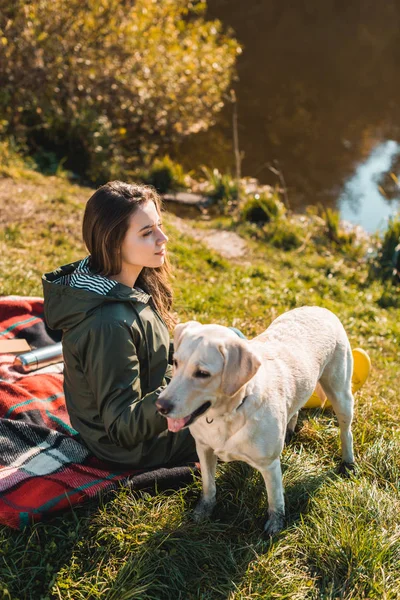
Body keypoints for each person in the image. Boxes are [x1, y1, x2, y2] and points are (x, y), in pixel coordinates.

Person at [42, 181, 198, 469]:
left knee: (231, 346)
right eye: (147, 233)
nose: (163, 238)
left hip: (156, 414)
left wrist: (189, 351)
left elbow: (152, 353)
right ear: (114, 243)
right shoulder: (106, 325)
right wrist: (185, 382)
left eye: (159, 226)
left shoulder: (129, 284)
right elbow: (124, 427)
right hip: (139, 448)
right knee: (246, 405)